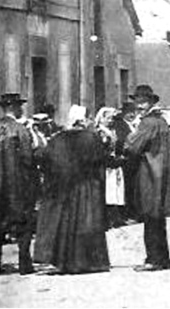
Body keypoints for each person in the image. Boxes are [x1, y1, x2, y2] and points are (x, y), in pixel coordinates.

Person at [33, 105, 111, 274]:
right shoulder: (91, 138)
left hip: (64, 187)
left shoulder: (57, 139)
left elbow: (46, 161)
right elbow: (100, 160)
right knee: (86, 223)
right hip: (87, 187)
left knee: (66, 223)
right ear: (82, 120)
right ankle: (89, 261)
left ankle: (63, 260)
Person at [0, 93, 38, 276]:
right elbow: (28, 158)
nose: (21, 109)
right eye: (19, 106)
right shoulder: (21, 129)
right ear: (14, 107)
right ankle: (24, 264)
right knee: (23, 225)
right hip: (17, 186)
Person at [126, 85, 170, 271]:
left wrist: (128, 138)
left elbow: (133, 147)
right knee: (158, 218)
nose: (139, 106)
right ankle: (162, 258)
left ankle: (153, 259)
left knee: (151, 216)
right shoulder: (161, 121)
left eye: (143, 102)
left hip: (151, 173)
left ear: (150, 103)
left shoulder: (148, 123)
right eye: (137, 102)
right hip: (162, 171)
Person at [96, 107, 125, 228]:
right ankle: (107, 218)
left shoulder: (112, 131)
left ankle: (115, 216)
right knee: (108, 190)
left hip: (114, 163)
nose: (110, 120)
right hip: (106, 165)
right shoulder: (100, 132)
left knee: (115, 190)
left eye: (112, 118)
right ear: (102, 118)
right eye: (108, 118)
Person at [111, 101, 138, 222]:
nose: (132, 115)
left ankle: (132, 212)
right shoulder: (120, 125)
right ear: (123, 113)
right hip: (124, 160)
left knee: (132, 187)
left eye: (134, 112)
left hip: (133, 160)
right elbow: (121, 141)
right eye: (129, 112)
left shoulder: (133, 125)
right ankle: (126, 214)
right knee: (125, 188)